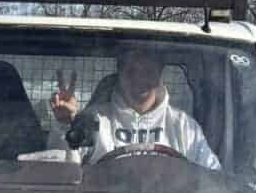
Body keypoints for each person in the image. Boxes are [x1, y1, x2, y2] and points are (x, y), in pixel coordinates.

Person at [49, 46, 221, 169]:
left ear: (160, 74)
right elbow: (61, 174)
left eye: (147, 71)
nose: (139, 79)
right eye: (131, 71)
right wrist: (65, 125)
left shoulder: (183, 126)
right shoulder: (93, 120)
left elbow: (211, 179)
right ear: (119, 74)